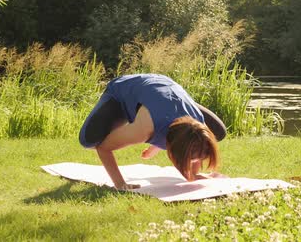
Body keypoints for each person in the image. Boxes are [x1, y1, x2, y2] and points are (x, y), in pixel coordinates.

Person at [78, 73, 227, 190]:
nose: (197, 160)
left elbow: (193, 144)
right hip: (123, 90)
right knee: (91, 139)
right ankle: (159, 136)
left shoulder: (199, 125)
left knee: (218, 132)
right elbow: (104, 148)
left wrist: (193, 175)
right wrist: (120, 184)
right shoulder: (142, 130)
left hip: (165, 88)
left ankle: (164, 130)